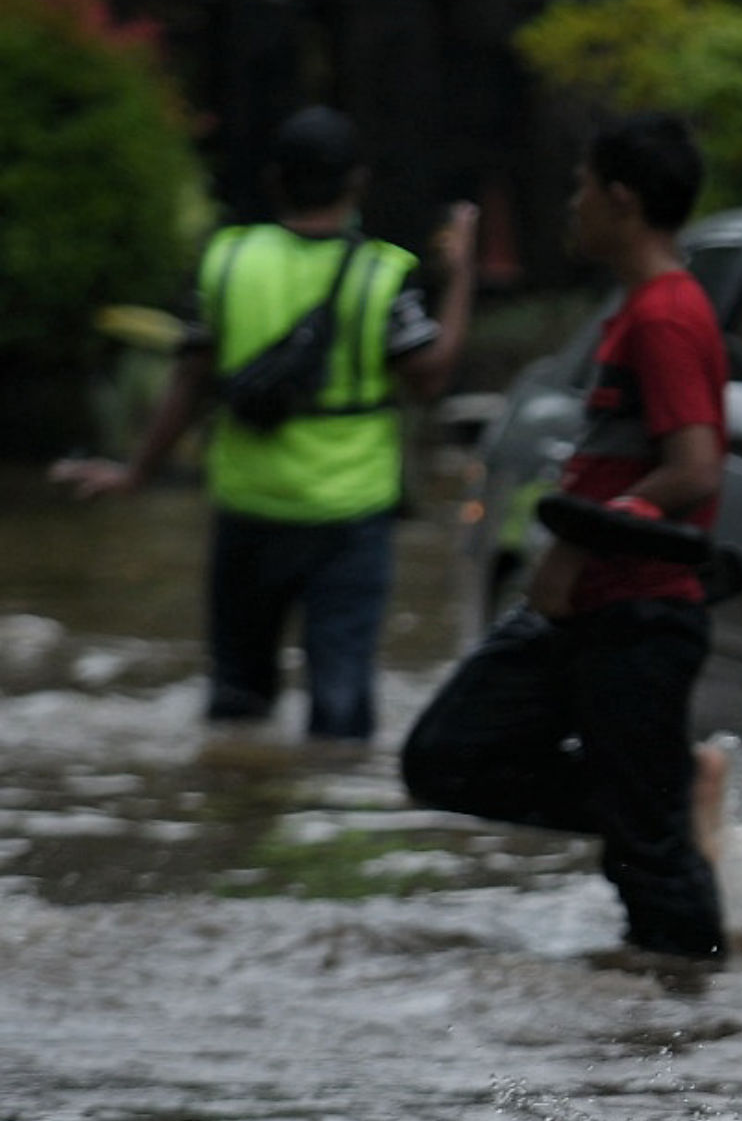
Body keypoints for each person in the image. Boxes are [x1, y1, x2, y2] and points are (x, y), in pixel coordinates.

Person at [400, 114, 730, 962]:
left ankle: (687, 1020)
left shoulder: (666, 314)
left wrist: (577, 546)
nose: (572, 203)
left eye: (583, 187)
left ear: (622, 200)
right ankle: (661, 796)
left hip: (640, 612)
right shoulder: (637, 310)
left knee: (653, 861)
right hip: (593, 613)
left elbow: (693, 469)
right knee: (446, 756)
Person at [53, 106, 478, 743]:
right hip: (348, 512)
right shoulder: (382, 274)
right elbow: (431, 374)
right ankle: (325, 815)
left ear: (276, 181)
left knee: (236, 698)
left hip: (248, 506)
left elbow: (190, 378)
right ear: (356, 185)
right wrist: (462, 275)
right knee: (341, 705)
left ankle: (236, 810)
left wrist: (137, 471)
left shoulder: (226, 260)